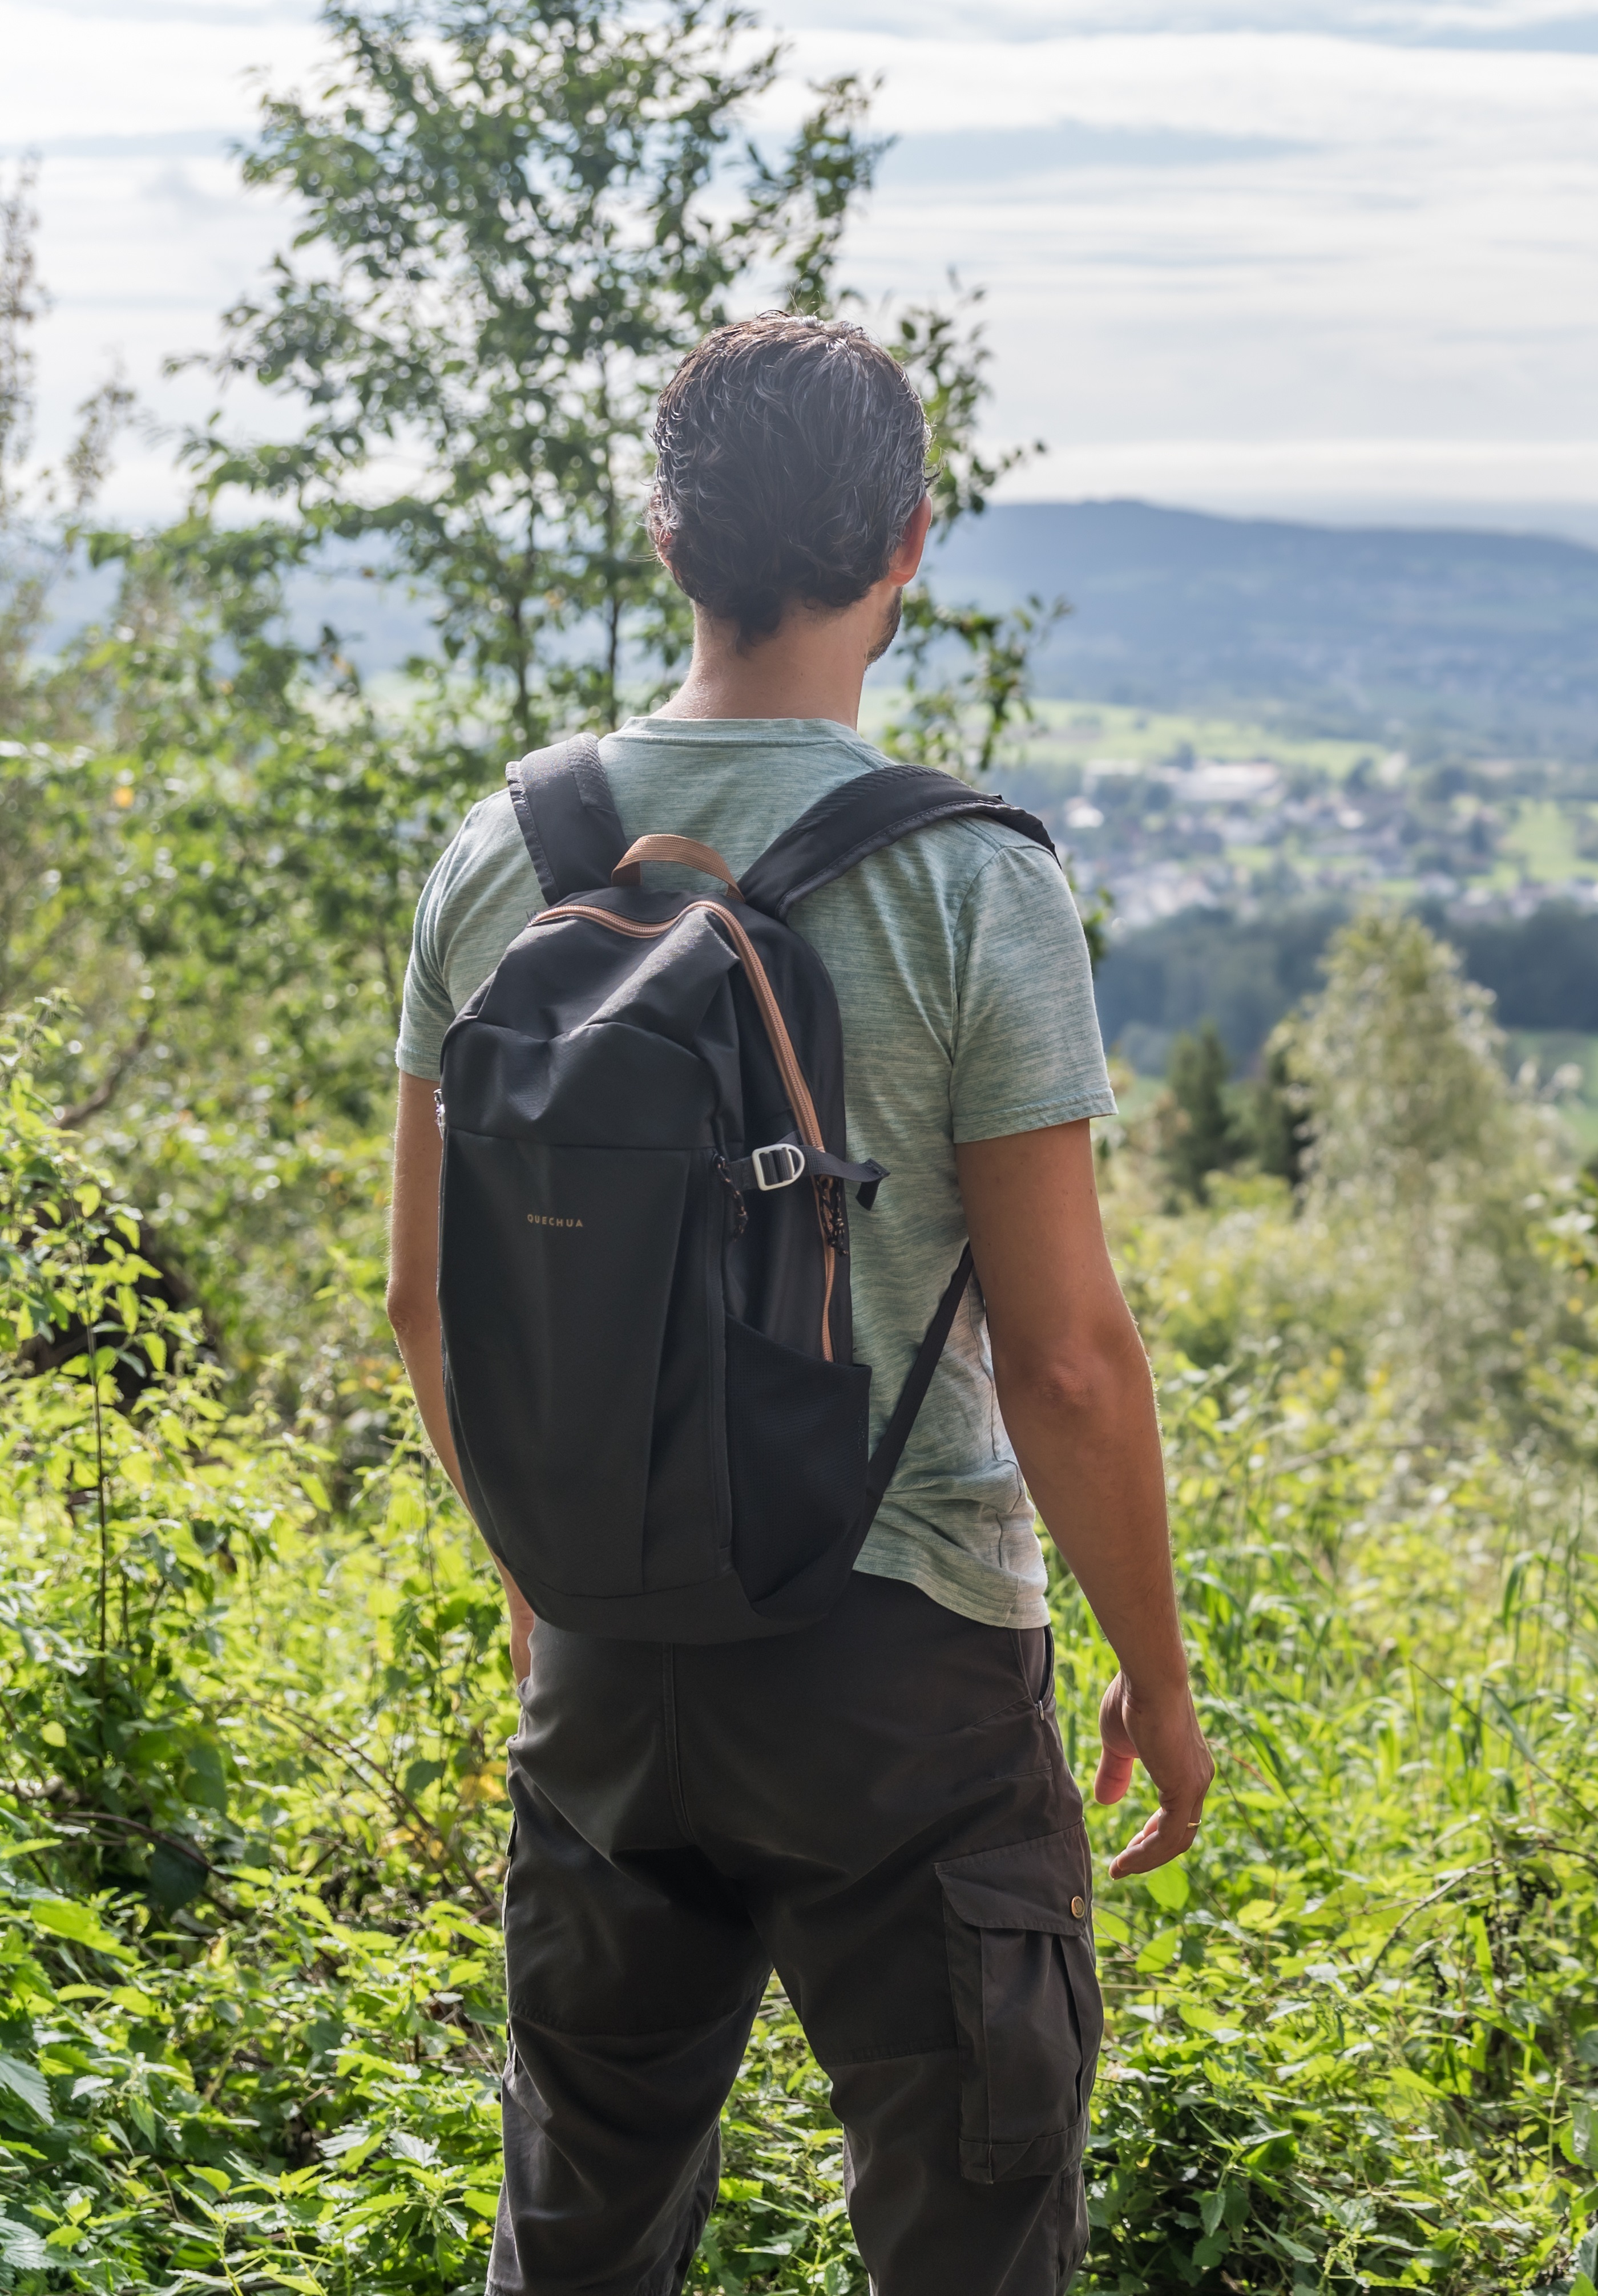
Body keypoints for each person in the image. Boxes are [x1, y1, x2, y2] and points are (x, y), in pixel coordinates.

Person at [380, 315, 1211, 2296]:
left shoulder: (497, 857)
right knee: (964, 2227)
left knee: (575, 2232)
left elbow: (426, 1304)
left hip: (604, 1655)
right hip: (904, 1670)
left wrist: (555, 1586)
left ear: (665, 535)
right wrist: (1157, 1678)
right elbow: (1070, 1357)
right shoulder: (965, 882)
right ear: (908, 547)